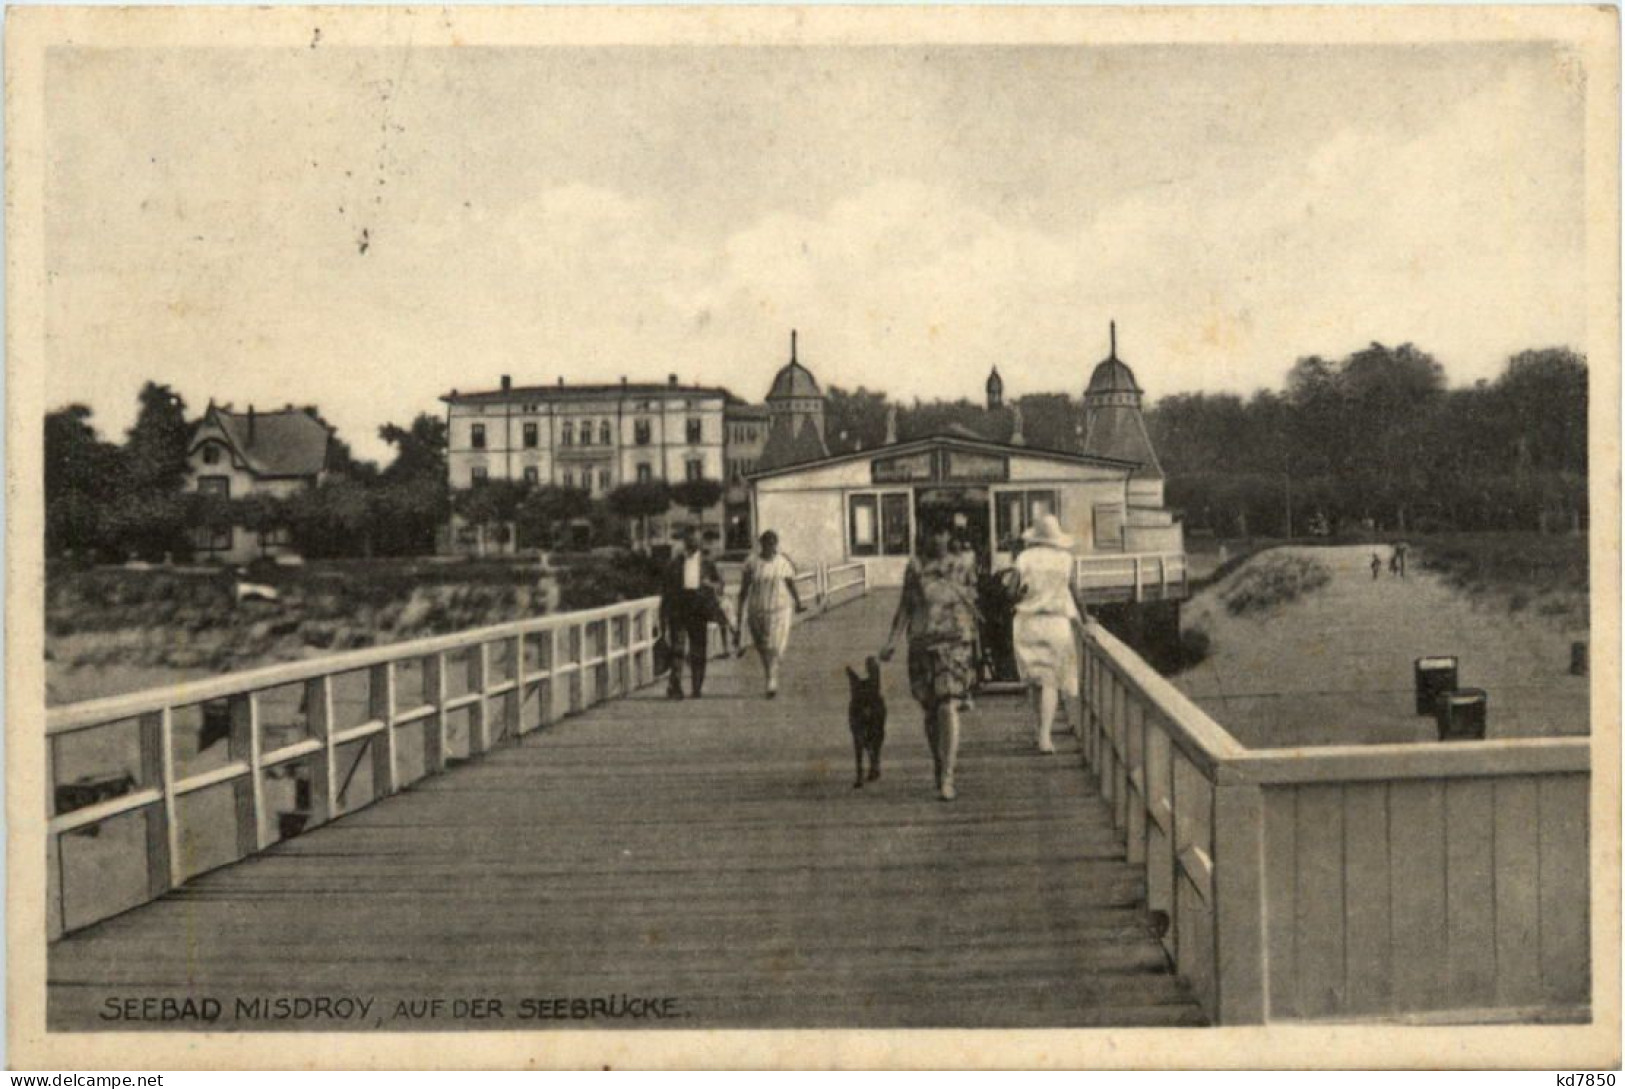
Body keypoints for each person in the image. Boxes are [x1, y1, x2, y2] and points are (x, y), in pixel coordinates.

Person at [879, 524, 982, 802]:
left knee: (948, 706)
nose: (938, 537)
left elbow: (974, 603)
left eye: (942, 532)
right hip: (922, 643)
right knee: (930, 711)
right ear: (924, 536)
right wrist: (891, 641)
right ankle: (939, 761)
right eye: (933, 532)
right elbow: (905, 607)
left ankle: (948, 774)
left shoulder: (963, 565)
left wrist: (975, 645)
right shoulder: (914, 567)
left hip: (954, 643)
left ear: (949, 536)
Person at [1009, 514, 1086, 755]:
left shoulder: (1024, 558)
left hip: (1028, 623)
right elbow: (1074, 591)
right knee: (1051, 681)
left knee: (1034, 679)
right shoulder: (1066, 559)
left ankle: (1037, 729)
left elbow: (1011, 592)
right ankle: (1045, 736)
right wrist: (1085, 617)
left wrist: (1023, 595)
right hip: (1056, 623)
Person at [735, 530, 804, 698]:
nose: (769, 547)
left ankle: (771, 680)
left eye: (772, 544)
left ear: (776, 545)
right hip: (757, 609)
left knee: (775, 647)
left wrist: (798, 602)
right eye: (766, 543)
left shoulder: (782, 563)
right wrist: (740, 609)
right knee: (763, 647)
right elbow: (744, 588)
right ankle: (770, 676)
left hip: (779, 609)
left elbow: (790, 583)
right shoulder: (751, 563)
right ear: (761, 544)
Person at [660, 528, 724, 700]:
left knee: (698, 650)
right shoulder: (674, 564)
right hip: (679, 611)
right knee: (677, 649)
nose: (692, 544)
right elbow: (666, 592)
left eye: (696, 541)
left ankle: (697, 687)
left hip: (698, 611)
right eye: (689, 541)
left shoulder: (707, 563)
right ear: (685, 542)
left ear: (700, 543)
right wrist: (663, 617)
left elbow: (720, 585)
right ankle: (675, 686)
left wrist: (710, 585)